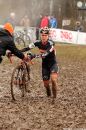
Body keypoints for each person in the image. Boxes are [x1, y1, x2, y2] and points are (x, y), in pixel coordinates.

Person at [21, 27, 58, 99]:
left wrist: (34, 56)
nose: (44, 37)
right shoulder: (37, 42)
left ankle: (54, 98)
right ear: (40, 35)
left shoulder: (51, 43)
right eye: (42, 35)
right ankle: (48, 93)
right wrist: (16, 52)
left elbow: (45, 54)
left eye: (45, 35)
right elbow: (27, 48)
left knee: (53, 80)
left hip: (53, 64)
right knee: (46, 84)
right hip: (45, 65)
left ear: (48, 36)